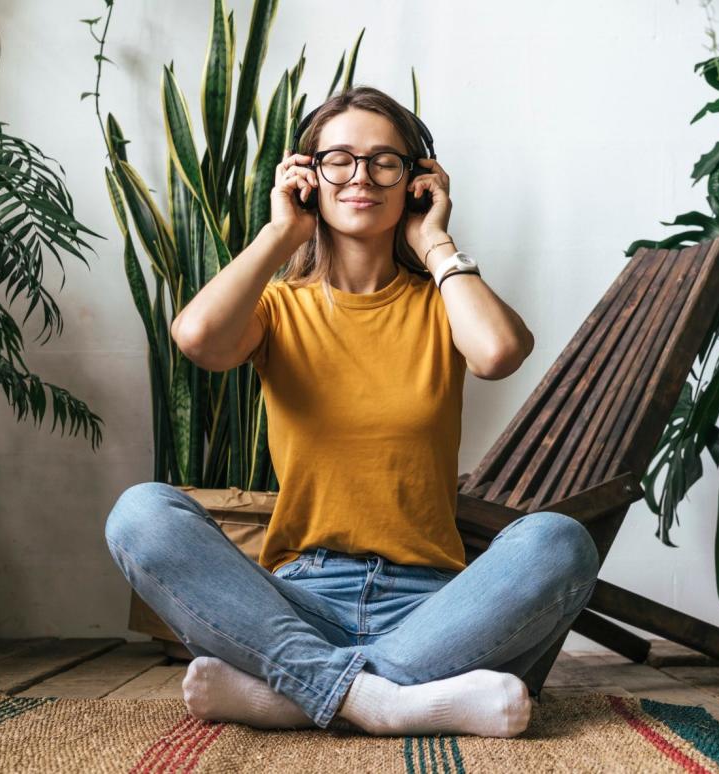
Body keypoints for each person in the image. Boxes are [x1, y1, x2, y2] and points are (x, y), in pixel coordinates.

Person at [104, 85, 600, 738]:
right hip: (298, 600)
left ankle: (295, 692)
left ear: (417, 180)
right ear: (307, 177)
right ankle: (393, 701)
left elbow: (499, 351)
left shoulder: (442, 301)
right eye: (338, 159)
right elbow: (198, 338)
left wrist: (437, 243)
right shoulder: (279, 309)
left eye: (384, 161)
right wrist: (281, 233)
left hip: (437, 607)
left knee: (559, 542)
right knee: (140, 513)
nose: (361, 176)